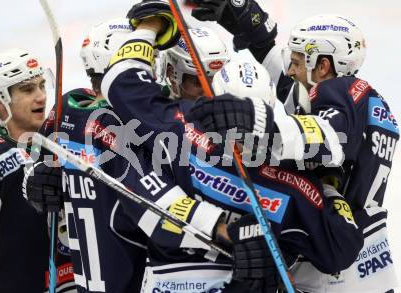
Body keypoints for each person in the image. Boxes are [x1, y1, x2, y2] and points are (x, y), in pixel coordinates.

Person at [98, 3, 365, 291]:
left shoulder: (180, 127)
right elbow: (341, 248)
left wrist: (150, 27)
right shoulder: (297, 185)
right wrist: (329, 186)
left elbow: (121, 79)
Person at [190, 1, 399, 291]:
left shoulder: (338, 90)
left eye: (298, 62)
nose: (289, 70)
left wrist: (258, 122)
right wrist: (252, 27)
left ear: (323, 66)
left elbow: (328, 139)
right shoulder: (362, 100)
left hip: (332, 265)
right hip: (368, 255)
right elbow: (296, 98)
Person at [25, 19, 148, 293]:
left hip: (88, 280)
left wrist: (34, 180)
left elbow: (35, 168)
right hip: (139, 279)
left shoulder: (67, 111)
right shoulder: (135, 121)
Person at [0, 48, 76, 293]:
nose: (41, 96)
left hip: (67, 284)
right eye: (27, 89)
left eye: (42, 85)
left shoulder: (63, 143)